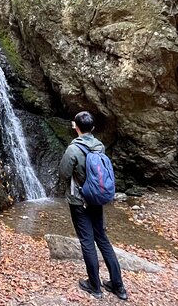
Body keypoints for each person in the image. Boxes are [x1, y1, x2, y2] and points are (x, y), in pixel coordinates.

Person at [58, 111, 128, 301]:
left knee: (87, 241)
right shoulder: (99, 146)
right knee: (102, 239)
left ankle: (95, 286)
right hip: (96, 198)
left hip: (79, 201)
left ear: (75, 126)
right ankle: (118, 286)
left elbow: (64, 173)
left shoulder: (73, 150)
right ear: (93, 128)